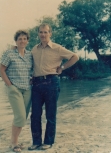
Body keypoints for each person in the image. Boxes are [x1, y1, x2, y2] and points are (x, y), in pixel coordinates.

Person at [28, 23, 79, 151]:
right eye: (41, 32)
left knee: (50, 114)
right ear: (38, 34)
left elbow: (75, 57)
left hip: (51, 82)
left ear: (50, 33)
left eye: (46, 32)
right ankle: (36, 142)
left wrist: (62, 67)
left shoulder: (57, 48)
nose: (43, 34)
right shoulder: (34, 49)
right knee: (35, 115)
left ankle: (48, 142)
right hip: (36, 84)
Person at [0, 30, 33, 153]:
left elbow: (34, 69)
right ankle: (14, 143)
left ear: (27, 41)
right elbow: (2, 70)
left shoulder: (30, 55)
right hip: (15, 89)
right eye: (20, 39)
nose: (22, 41)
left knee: (22, 117)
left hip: (28, 89)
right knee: (20, 116)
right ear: (16, 41)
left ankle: (15, 141)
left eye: (24, 39)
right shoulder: (9, 54)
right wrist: (10, 86)